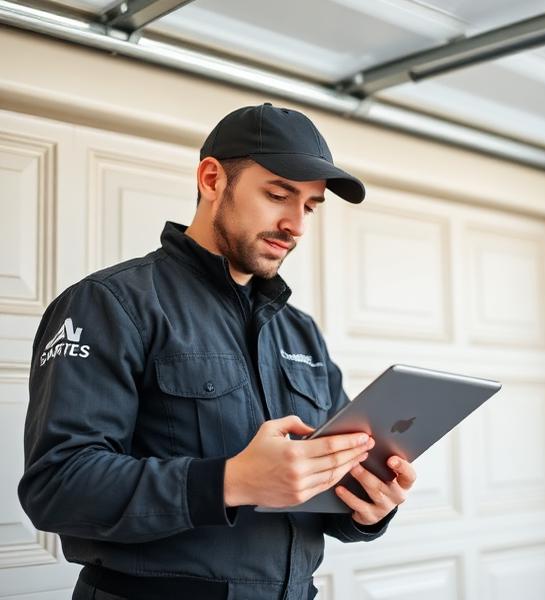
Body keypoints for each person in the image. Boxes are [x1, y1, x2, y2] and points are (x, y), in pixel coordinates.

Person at [18, 103, 417, 600]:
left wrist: (368, 505)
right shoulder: (111, 304)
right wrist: (230, 480)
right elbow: (58, 487)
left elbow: (320, 486)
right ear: (211, 179)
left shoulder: (301, 333)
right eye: (278, 195)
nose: (296, 224)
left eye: (310, 206)